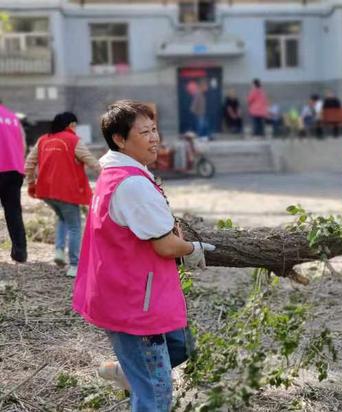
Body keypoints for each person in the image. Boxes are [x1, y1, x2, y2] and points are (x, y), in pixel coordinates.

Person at [72, 100, 215, 411]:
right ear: (120, 139)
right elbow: (165, 246)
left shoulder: (117, 173)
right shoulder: (131, 183)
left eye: (154, 130)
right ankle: (134, 375)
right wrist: (194, 250)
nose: (155, 138)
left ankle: (126, 372)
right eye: (145, 132)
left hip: (140, 291)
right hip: (135, 302)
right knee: (155, 393)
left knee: (181, 345)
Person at [25, 112, 100, 277]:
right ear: (70, 125)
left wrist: (31, 183)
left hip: (46, 191)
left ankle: (59, 250)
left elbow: (29, 164)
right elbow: (90, 161)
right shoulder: (74, 141)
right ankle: (74, 264)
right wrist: (108, 174)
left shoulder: (43, 140)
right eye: (75, 125)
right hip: (67, 192)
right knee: (74, 226)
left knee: (62, 218)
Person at [0, 101, 27, 263]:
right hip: (14, 169)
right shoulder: (13, 118)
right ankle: (20, 251)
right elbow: (22, 145)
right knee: (13, 211)